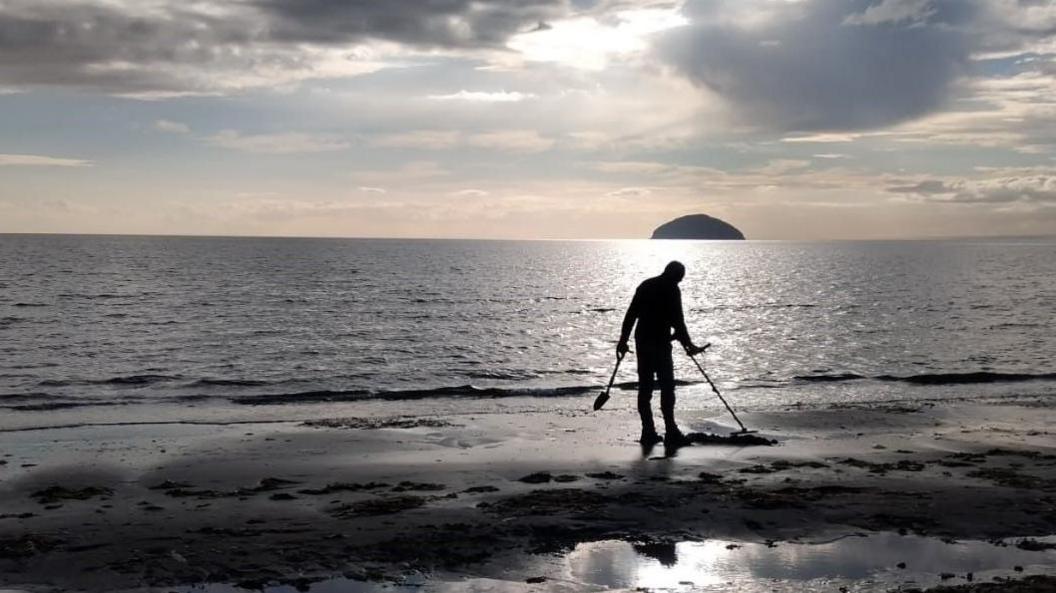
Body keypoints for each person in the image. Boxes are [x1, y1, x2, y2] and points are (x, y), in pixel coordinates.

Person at [617, 261, 704, 446]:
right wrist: (689, 344)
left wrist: (623, 340)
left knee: (645, 388)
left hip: (642, 341)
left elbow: (631, 314)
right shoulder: (672, 289)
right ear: (675, 275)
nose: (680, 281)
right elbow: (678, 320)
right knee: (667, 387)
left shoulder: (646, 285)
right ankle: (671, 430)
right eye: (680, 278)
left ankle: (647, 431)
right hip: (660, 344)